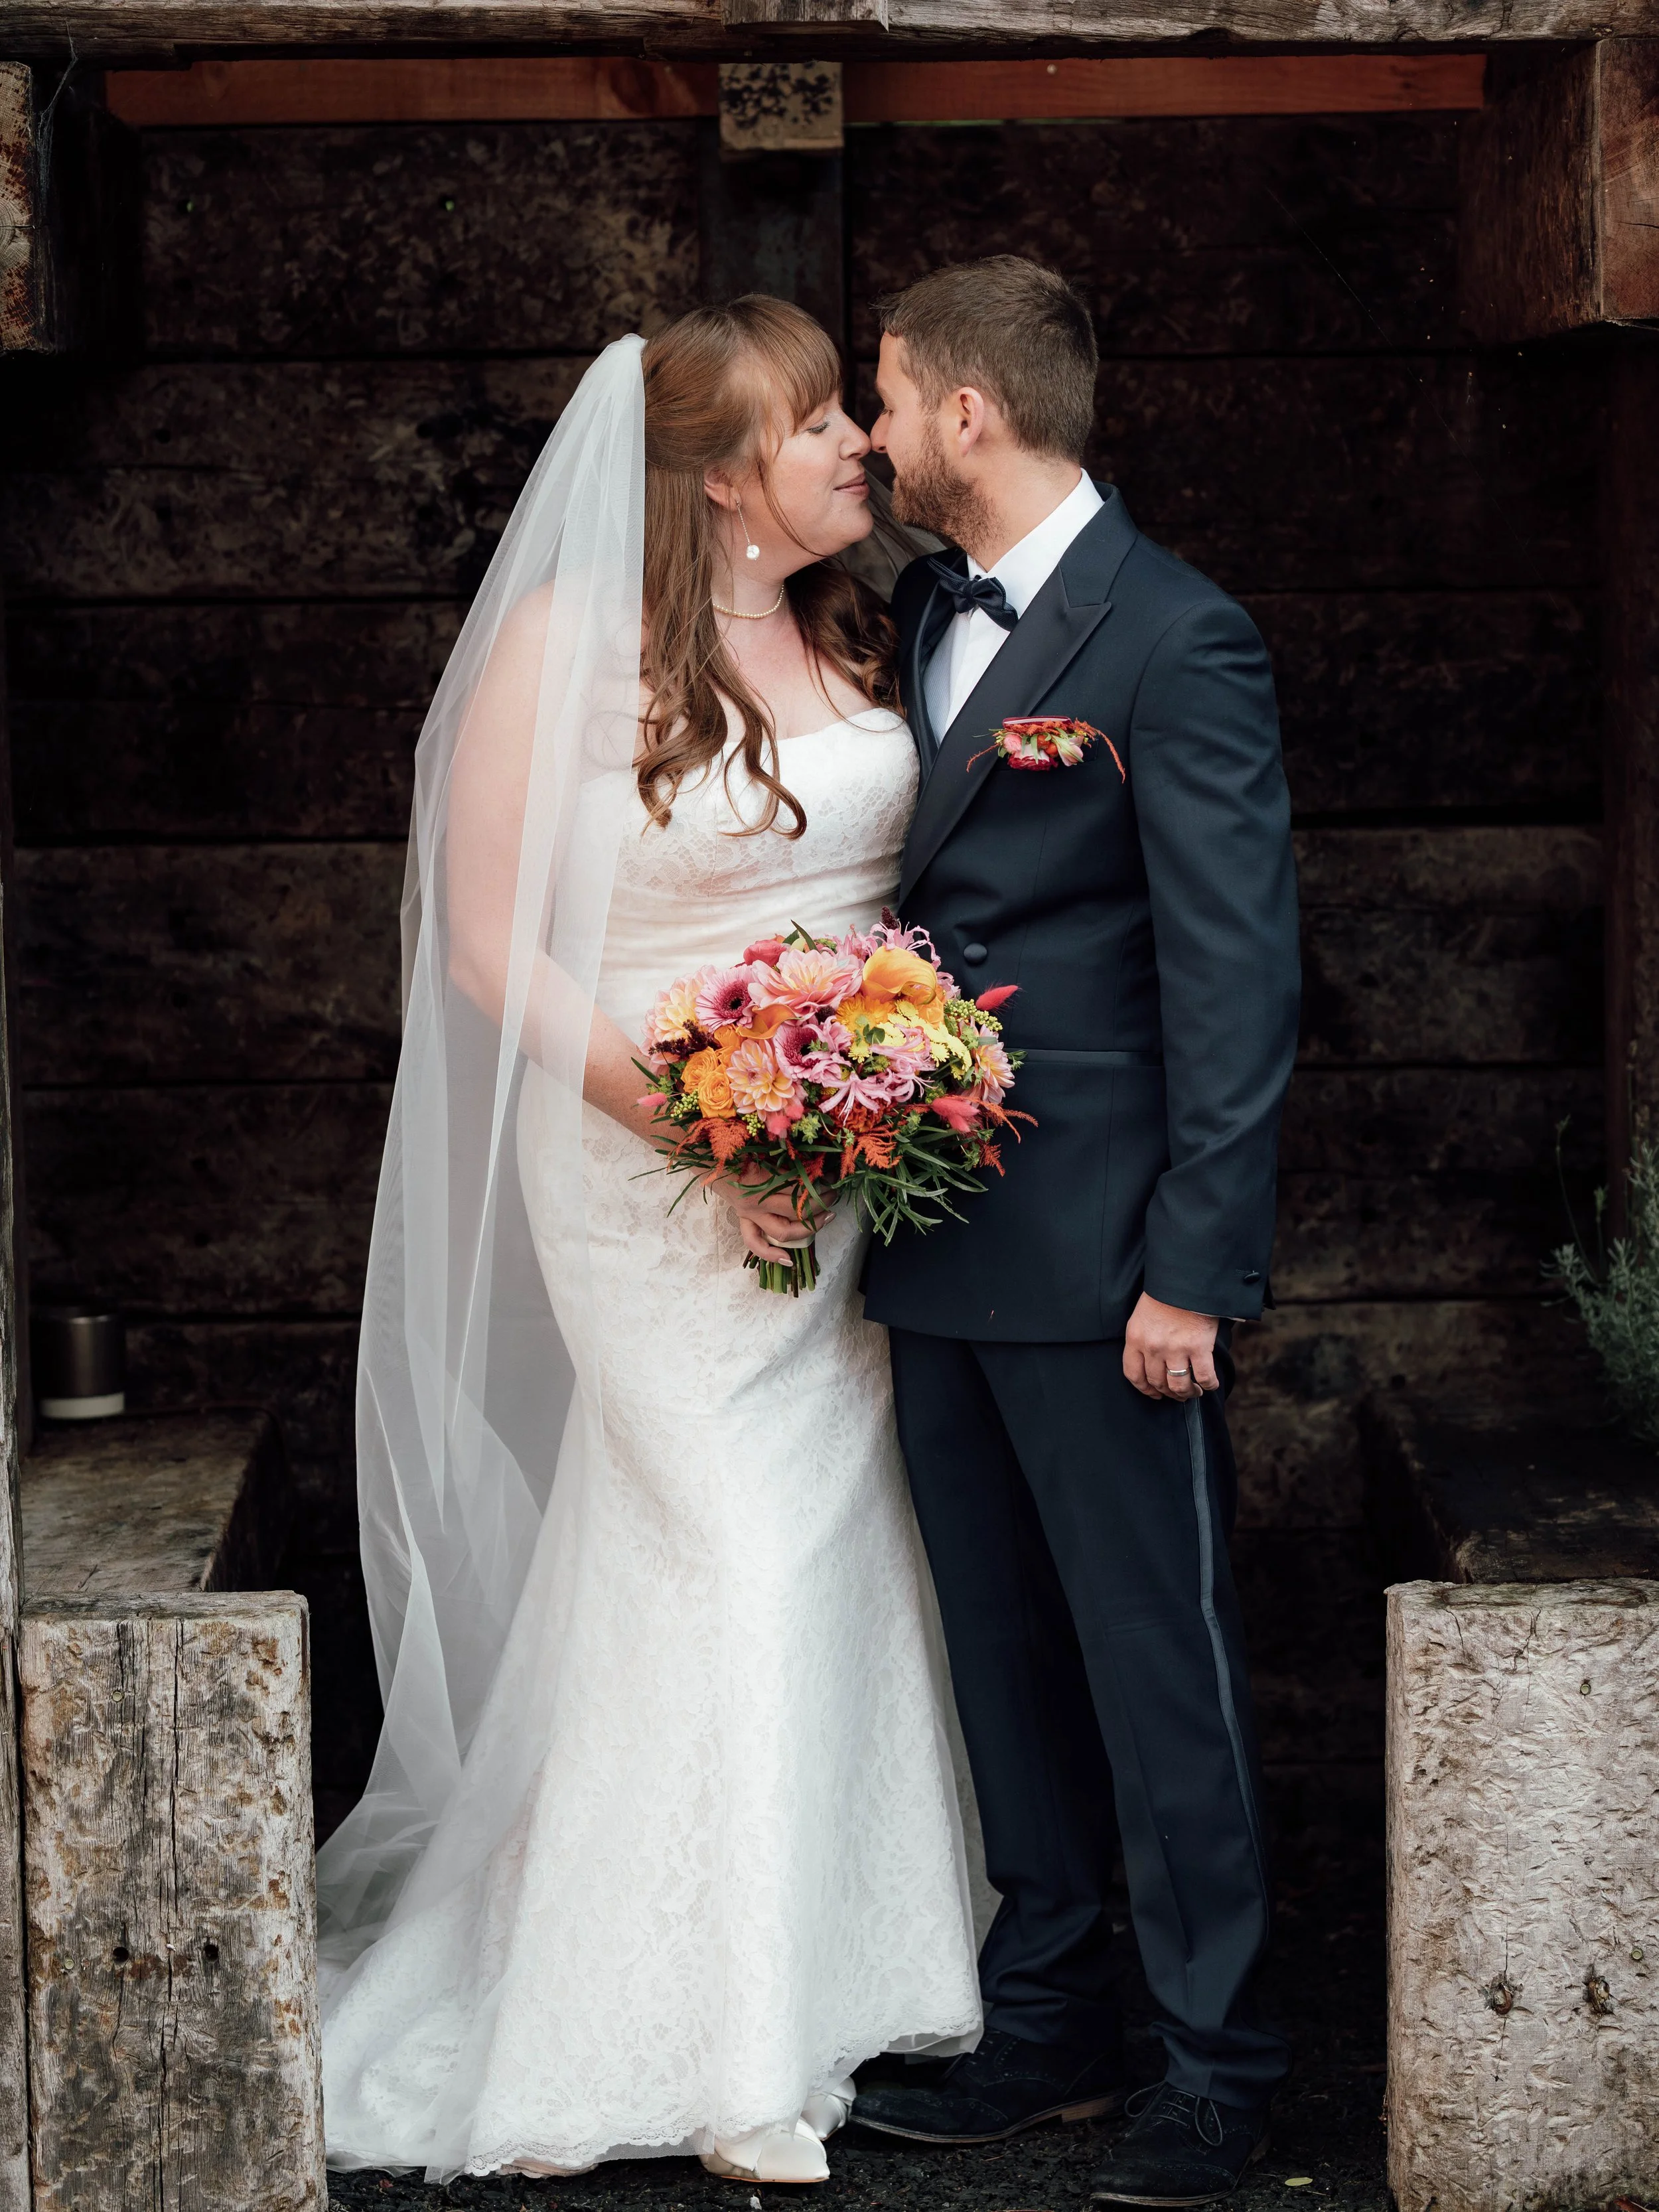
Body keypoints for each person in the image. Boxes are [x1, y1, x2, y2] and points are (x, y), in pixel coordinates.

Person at [315, 299, 982, 2186]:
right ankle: (702, 2034)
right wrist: (699, 1123)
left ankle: (821, 1965)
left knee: (824, 1532)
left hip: (843, 1155)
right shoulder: (568, 644)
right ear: (712, 473)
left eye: (859, 408)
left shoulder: (865, 622)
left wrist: (867, 1090)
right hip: (638, 1147)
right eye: (821, 420)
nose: (863, 438)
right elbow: (484, 946)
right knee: (729, 1536)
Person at [854, 256, 1301, 2206]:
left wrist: (1192, 1262)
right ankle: (1046, 2022)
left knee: (1155, 1662)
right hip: (934, 1238)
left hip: (1115, 1263)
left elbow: (1235, 972)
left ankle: (1222, 2062)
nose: (865, 433)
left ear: (967, 410)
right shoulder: (906, 617)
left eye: (881, 395)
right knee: (999, 1660)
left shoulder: (1171, 636)